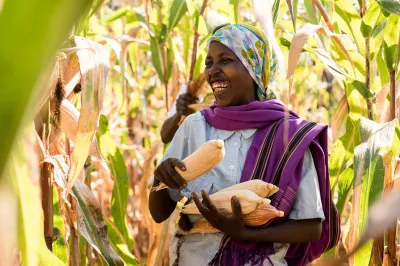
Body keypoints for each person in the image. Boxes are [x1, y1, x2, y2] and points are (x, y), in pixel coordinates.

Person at [149, 24, 340, 266]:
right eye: (209, 63)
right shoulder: (194, 127)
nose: (212, 71)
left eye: (225, 59)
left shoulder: (288, 134)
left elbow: (311, 227)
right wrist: (159, 180)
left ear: (254, 68)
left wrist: (246, 234)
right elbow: (158, 213)